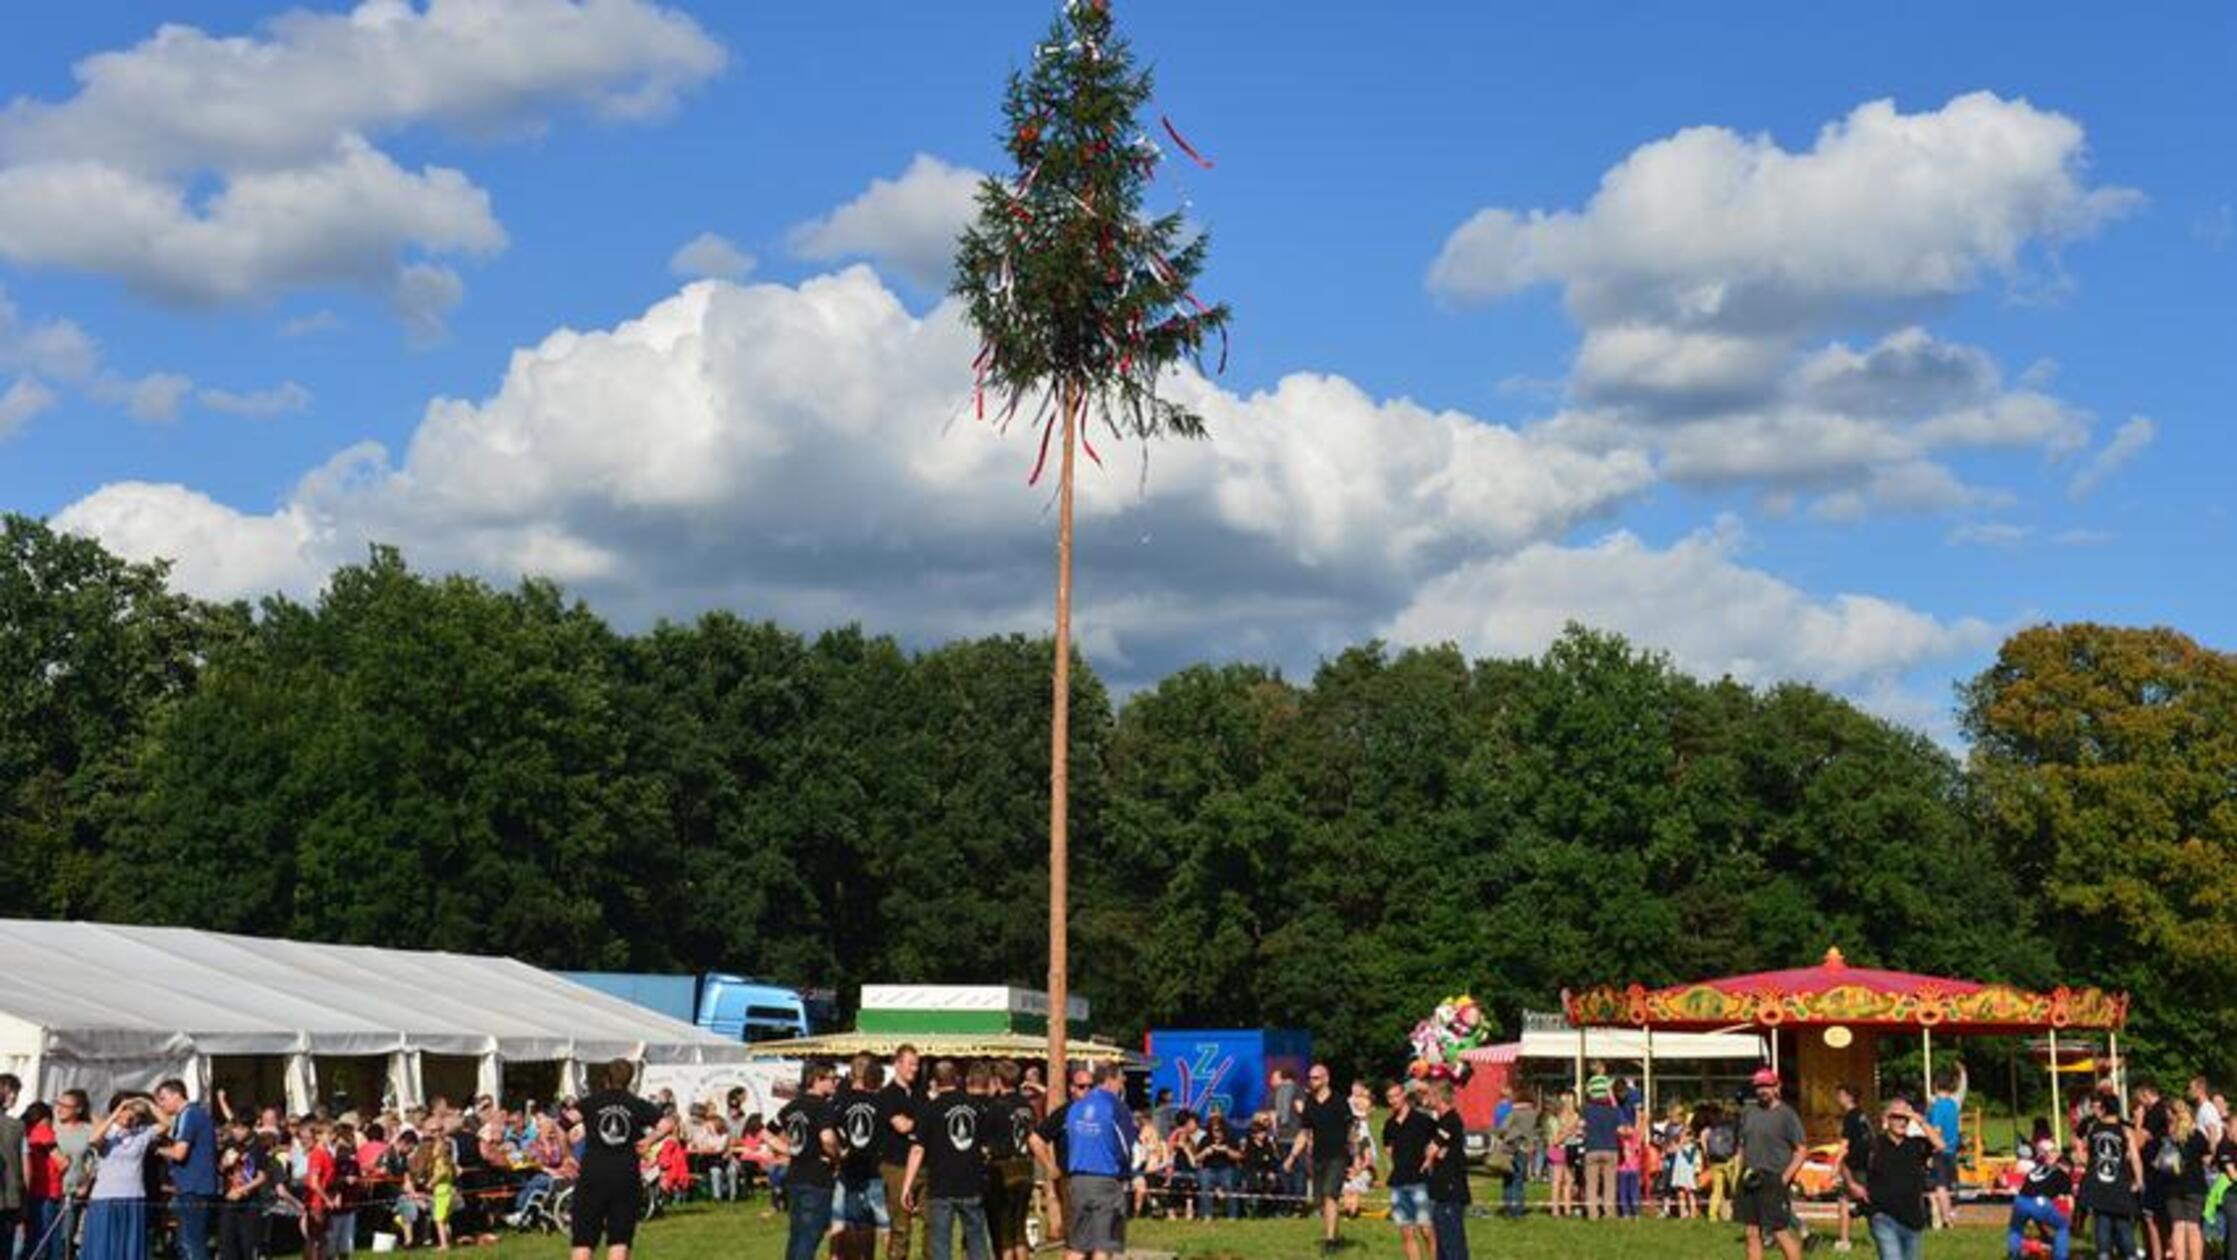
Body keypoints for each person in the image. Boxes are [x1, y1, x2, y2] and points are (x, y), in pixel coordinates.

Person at [569, 1058, 670, 1260]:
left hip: (593, 1175)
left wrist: (566, 1156)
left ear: (606, 1078)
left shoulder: (590, 1102)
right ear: (630, 1081)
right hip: (625, 1176)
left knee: (583, 1241)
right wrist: (648, 1140)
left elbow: (561, 1124)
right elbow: (667, 1123)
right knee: (619, 1241)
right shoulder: (636, 1104)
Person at [902, 1060, 990, 1260]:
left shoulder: (929, 1109)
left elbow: (917, 1149)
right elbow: (985, 1146)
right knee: (977, 1242)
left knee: (941, 1245)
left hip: (941, 1186)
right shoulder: (975, 1106)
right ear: (957, 1079)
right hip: (971, 1183)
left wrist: (907, 1185)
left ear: (935, 1082)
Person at [1845, 1096, 1940, 1260]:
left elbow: (1940, 1145)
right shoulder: (1872, 1145)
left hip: (1913, 1219)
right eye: (1896, 1117)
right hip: (1882, 1215)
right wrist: (1852, 1184)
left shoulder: (1916, 1145)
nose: (1901, 1122)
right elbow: (1846, 1163)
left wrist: (1921, 1121)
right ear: (1886, 1119)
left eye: (1905, 1118)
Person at [1058, 1062, 1131, 1260]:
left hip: (1078, 1179)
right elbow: (1126, 1146)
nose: (1123, 1083)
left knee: (1077, 1244)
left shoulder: (1075, 1107)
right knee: (1103, 1244)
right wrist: (1128, 1174)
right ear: (1110, 1080)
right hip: (1106, 1178)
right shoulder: (1115, 1106)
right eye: (1121, 1079)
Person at [1738, 1068, 1808, 1260]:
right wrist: (1739, 1171)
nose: (1763, 1090)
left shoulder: (1787, 1115)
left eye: (1767, 1086)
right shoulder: (1748, 1113)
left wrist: (1784, 1179)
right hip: (1750, 1178)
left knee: (1779, 1232)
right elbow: (1743, 1145)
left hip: (1774, 1179)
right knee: (1751, 1233)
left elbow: (1801, 1150)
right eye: (1759, 1086)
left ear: (1777, 1087)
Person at [776, 1062, 842, 1260]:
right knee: (810, 1235)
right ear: (817, 1080)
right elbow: (827, 1138)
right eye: (831, 1078)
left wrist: (792, 1151)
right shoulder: (823, 1106)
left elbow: (765, 1133)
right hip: (817, 1176)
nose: (835, 1082)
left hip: (795, 1176)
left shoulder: (792, 1106)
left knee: (797, 1234)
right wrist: (838, 1156)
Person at [85, 1095, 162, 1260]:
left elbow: (167, 1124)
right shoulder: (108, 1133)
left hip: (134, 1195)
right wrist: (116, 1113)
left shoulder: (142, 1133)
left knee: (130, 1245)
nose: (129, 1116)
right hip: (105, 1197)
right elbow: (93, 1140)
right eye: (125, 1111)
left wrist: (148, 1103)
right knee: (104, 1245)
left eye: (134, 1113)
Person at [1284, 1064, 1352, 1254]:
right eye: (1310, 1077)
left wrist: (1354, 1156)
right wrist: (1292, 1157)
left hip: (1337, 1156)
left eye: (1315, 1077)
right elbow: (1304, 1133)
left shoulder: (1339, 1101)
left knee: (1331, 1195)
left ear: (1326, 1079)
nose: (1311, 1081)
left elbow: (1351, 1130)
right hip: (1318, 1158)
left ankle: (1330, 1241)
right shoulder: (1310, 1104)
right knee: (1320, 1200)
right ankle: (1333, 1234)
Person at [152, 1081, 220, 1260]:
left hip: (195, 1187)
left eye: (163, 1098)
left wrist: (156, 1150)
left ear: (177, 1095)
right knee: (187, 1240)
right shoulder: (186, 1115)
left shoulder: (191, 1115)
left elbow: (179, 1153)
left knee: (192, 1242)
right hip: (191, 1186)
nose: (161, 1104)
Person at [833, 1056, 891, 1260]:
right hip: (872, 1168)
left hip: (847, 1169)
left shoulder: (841, 1101)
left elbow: (831, 1131)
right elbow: (886, 1135)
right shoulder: (879, 1102)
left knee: (845, 1223)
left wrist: (841, 1150)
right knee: (874, 1224)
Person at [2076, 1089, 2144, 1260]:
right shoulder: (2126, 1131)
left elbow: (2080, 1145)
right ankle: (2130, 1255)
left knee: (2102, 1222)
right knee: (2123, 1224)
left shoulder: (2093, 1129)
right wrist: (2139, 1180)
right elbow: (2135, 1159)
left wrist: (2085, 1160)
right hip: (2120, 1183)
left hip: (2097, 1182)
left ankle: (2104, 1255)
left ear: (2104, 1109)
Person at [983, 1061, 1038, 1260]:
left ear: (998, 1081)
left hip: (1004, 1169)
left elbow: (986, 1141)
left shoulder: (996, 1107)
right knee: (1019, 1229)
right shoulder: (1027, 1106)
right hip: (1026, 1166)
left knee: (1004, 1234)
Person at [877, 1045, 923, 1260]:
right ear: (897, 1064)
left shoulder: (920, 1093)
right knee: (900, 1227)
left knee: (934, 1224)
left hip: (923, 1165)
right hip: (896, 1166)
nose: (915, 1068)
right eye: (911, 1063)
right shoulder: (887, 1095)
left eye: (917, 1063)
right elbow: (902, 1126)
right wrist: (925, 1122)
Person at [1380, 1082, 1434, 1260]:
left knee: (1426, 1230)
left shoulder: (1422, 1120)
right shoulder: (1389, 1125)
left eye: (1396, 1095)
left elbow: (1439, 1142)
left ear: (1404, 1095)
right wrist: (1392, 1165)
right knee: (1407, 1233)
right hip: (1398, 1183)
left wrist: (1429, 1160)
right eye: (1390, 1097)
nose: (1393, 1100)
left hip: (1420, 1181)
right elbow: (1387, 1149)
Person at [1422, 1081, 1470, 1260]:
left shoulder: (1451, 1120)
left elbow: (1432, 1149)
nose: (1426, 1099)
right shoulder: (1440, 1121)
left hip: (1451, 1189)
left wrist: (1433, 1152)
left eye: (1429, 1095)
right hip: (1440, 1189)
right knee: (1442, 1244)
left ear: (1439, 1097)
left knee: (1453, 1244)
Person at [2007, 1138, 2071, 1260]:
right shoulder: (2061, 1174)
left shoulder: (2034, 1169)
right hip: (2040, 1202)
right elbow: (2066, 1200)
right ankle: (2060, 1256)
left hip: (2020, 1201)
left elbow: (2026, 1187)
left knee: (2015, 1228)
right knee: (2062, 1226)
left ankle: (2014, 1255)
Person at [2161, 1100, 2207, 1260]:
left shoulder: (2168, 1136)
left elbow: (2161, 1161)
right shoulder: (2198, 1135)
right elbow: (2207, 1155)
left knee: (2178, 1226)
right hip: (2194, 1185)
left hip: (2172, 1186)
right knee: (2194, 1226)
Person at [53, 1090, 96, 1260]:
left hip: (74, 1192)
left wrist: (87, 1184)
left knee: (67, 1236)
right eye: (58, 1104)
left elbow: (95, 1161)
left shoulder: (88, 1130)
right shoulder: (52, 1129)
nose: (59, 1109)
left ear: (78, 1109)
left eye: (65, 1105)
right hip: (51, 1191)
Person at [1926, 1067, 1967, 1231]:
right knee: (1950, 1185)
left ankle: (1946, 1218)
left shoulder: (1938, 1107)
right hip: (1953, 1150)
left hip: (1940, 1150)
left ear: (1935, 1085)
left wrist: (1930, 1151)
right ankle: (1950, 1213)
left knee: (1940, 1186)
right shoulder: (1953, 1105)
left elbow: (1936, 1131)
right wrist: (1963, 1073)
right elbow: (1962, 1090)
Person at [1582, 1076, 1623, 1219]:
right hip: (1610, 1149)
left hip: (1592, 1149)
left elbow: (1581, 1127)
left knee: (1591, 1184)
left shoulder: (1587, 1110)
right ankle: (1609, 1212)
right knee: (1610, 1184)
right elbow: (1621, 1128)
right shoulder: (1613, 1111)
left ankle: (1593, 1213)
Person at [1839, 1084, 1873, 1254]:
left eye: (1841, 1094)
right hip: (1866, 1162)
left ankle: (1844, 1241)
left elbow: (1845, 1144)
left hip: (1853, 1163)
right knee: (1866, 1199)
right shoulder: (1862, 1115)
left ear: (1848, 1096)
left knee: (1844, 1200)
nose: (1839, 1098)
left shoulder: (1850, 1117)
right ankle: (1877, 1235)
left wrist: (1835, 1164)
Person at [1496, 1089, 1538, 1219]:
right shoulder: (1533, 1114)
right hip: (1525, 1147)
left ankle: (1509, 1209)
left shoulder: (1514, 1113)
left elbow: (1503, 1128)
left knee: (1508, 1179)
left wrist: (1500, 1134)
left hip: (1511, 1146)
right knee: (1519, 1180)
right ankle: (1519, 1209)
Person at [1268, 1069, 1303, 1216]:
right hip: (1297, 1136)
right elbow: (1301, 1109)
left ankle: (1285, 1205)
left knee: (1284, 1171)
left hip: (1281, 1137)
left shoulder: (1275, 1093)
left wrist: (1275, 1133)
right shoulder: (1298, 1090)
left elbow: (1273, 1116)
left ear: (1282, 1078)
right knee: (1299, 1171)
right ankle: (1298, 1204)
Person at [1198, 1113, 1241, 1221]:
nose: (1217, 1133)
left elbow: (1239, 1156)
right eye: (1214, 1130)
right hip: (1208, 1169)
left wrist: (1227, 1150)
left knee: (1229, 1184)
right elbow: (1196, 1158)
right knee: (1205, 1185)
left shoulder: (1230, 1138)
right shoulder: (1205, 1139)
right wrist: (1204, 1153)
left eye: (1219, 1130)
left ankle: (1232, 1215)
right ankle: (1207, 1214)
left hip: (1226, 1168)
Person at [1548, 1091, 1579, 1218]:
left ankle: (1567, 1209)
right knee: (1557, 1180)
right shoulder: (1555, 1118)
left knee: (1569, 1180)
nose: (1568, 1103)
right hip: (1557, 1150)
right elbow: (1555, 1140)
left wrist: (1569, 1130)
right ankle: (1555, 1209)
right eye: (1566, 1101)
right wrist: (1568, 1130)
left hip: (1570, 1149)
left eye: (1570, 1100)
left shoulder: (1575, 1116)